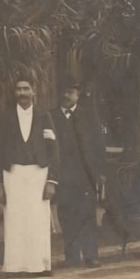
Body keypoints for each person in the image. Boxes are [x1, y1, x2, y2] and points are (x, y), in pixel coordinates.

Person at [0, 74, 60, 276]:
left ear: (33, 92)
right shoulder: (6, 117)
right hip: (12, 173)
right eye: (18, 89)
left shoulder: (43, 116)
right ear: (15, 93)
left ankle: (40, 265)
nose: (22, 93)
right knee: (14, 219)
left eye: (25, 89)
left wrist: (52, 180)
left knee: (37, 218)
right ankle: (14, 266)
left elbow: (53, 149)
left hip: (38, 173)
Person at [51, 80, 106, 269]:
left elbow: (98, 145)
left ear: (77, 94)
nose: (66, 96)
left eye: (70, 92)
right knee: (66, 214)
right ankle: (71, 256)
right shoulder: (52, 116)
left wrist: (100, 173)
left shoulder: (89, 116)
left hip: (84, 173)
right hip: (63, 173)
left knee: (86, 214)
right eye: (64, 92)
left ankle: (91, 255)